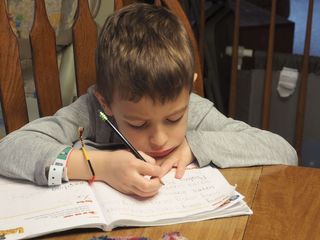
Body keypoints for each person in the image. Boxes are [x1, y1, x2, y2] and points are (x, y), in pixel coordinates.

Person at [0, 3, 297, 197]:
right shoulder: (89, 112)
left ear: (189, 90)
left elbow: (283, 152)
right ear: (106, 103)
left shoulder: (195, 110)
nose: (159, 138)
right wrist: (99, 166)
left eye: (173, 119)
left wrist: (197, 145)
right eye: (138, 123)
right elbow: (9, 149)